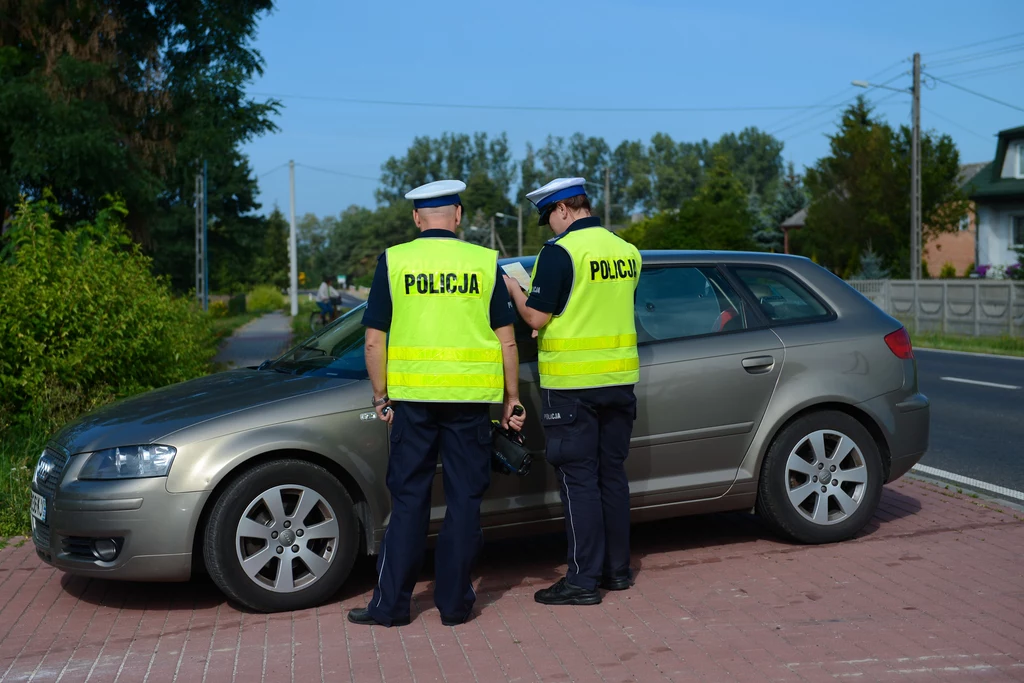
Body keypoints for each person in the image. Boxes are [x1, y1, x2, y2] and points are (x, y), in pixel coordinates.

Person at [348, 179, 526, 627]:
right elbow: (508, 342)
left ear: (416, 218)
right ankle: (454, 606)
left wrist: (380, 397)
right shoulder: (485, 263)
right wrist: (512, 399)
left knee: (409, 501)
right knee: (465, 500)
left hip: (411, 403)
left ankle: (389, 608)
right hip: (469, 403)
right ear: (459, 216)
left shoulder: (395, 261)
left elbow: (374, 341)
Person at [504, 177, 641, 606]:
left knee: (579, 482)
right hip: (619, 382)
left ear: (564, 209)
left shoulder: (560, 253)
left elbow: (537, 319)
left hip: (573, 387)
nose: (549, 227)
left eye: (549, 217)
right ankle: (617, 572)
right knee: (612, 477)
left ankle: (582, 581)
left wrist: (513, 287)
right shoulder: (626, 251)